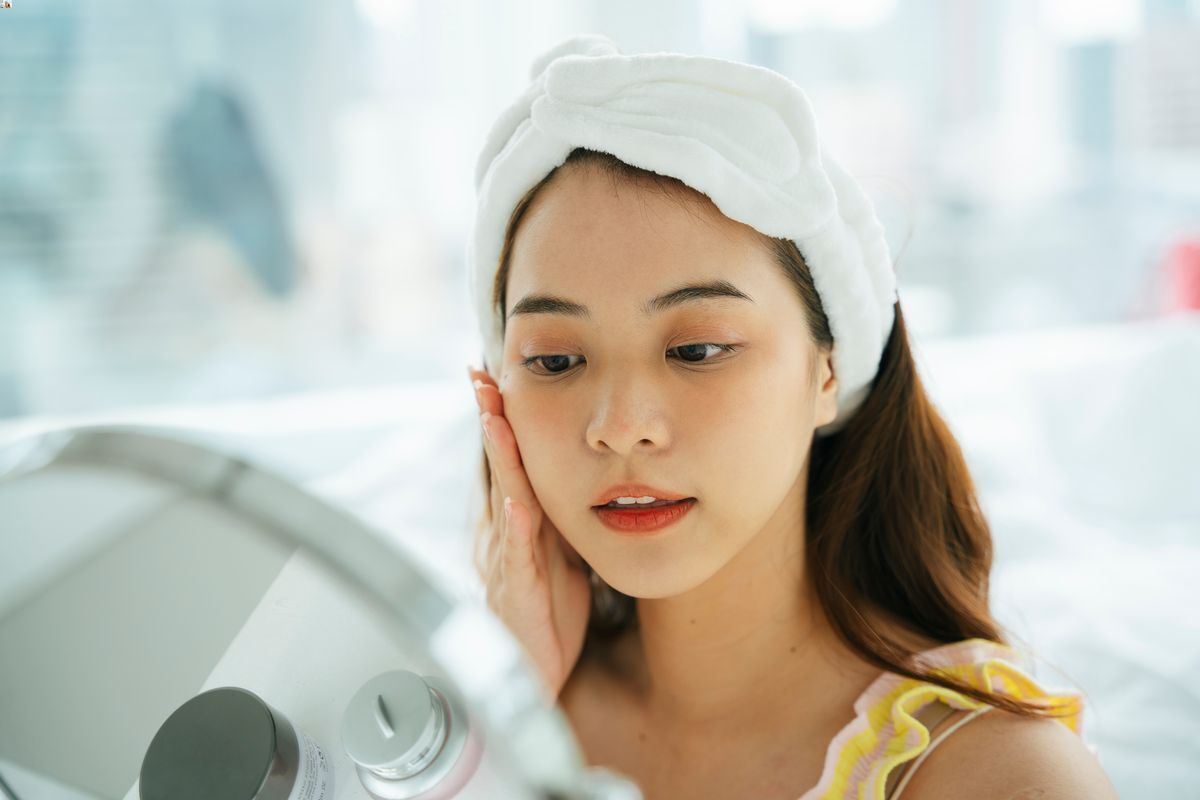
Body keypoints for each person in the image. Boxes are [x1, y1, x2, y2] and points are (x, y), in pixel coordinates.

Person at [465, 35, 1117, 800]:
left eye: (699, 349)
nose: (619, 425)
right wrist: (492, 711)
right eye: (555, 361)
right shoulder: (475, 722)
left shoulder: (995, 775)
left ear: (826, 369)